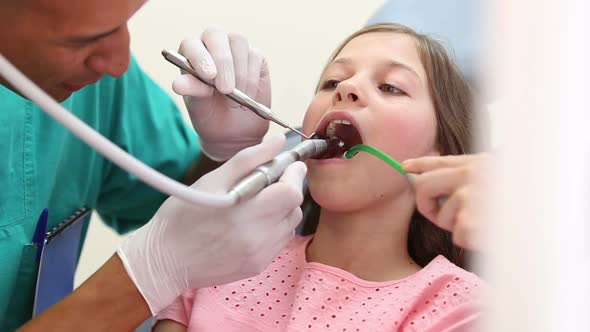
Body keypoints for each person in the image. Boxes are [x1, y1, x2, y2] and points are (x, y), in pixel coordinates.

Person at [153, 23, 485, 332]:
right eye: (331, 83)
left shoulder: (463, 309)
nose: (347, 88)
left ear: (440, 153)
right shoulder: (221, 257)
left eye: (390, 87)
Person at [0, 0, 305, 330]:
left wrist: (222, 155)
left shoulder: (91, 82)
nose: (118, 63)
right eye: (82, 40)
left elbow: (181, 207)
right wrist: (143, 277)